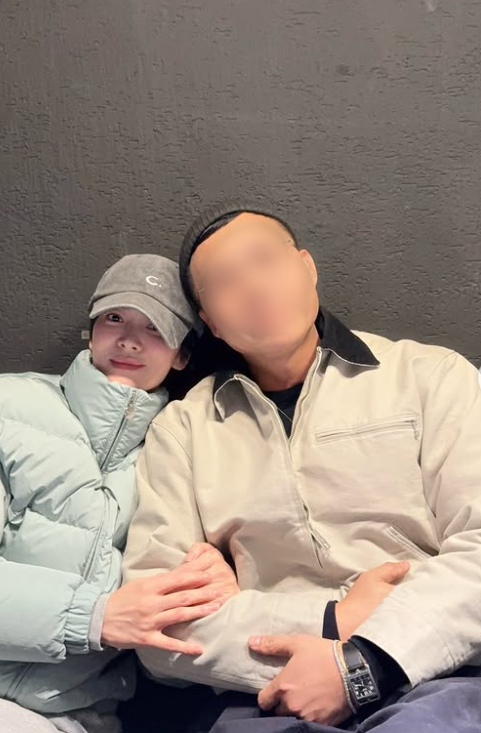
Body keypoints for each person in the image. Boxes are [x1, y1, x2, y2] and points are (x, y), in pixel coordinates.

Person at [122, 203, 481, 732]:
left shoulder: (431, 377)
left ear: (307, 267)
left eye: (265, 260)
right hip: (268, 695)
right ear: (210, 321)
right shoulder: (183, 429)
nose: (254, 287)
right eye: (225, 282)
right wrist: (331, 620)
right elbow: (157, 626)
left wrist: (366, 661)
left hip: (433, 676)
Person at [0, 253, 239, 733]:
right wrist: (94, 616)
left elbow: (172, 664)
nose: (130, 339)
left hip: (72, 716)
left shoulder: (182, 453)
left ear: (182, 355)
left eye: (155, 328)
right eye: (115, 318)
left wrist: (209, 592)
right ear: (91, 330)